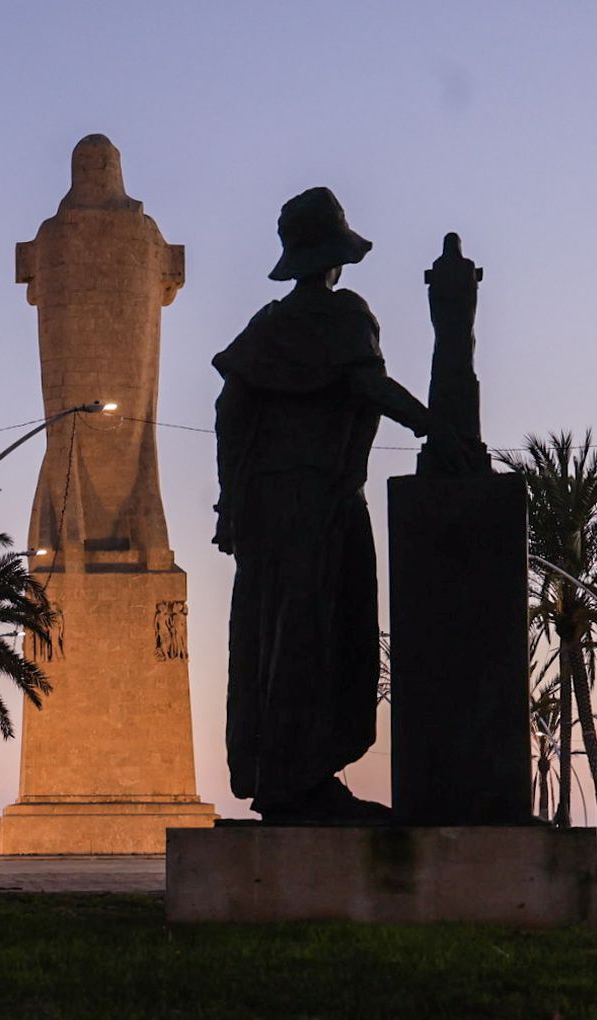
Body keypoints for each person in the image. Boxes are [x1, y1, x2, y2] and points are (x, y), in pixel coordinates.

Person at [213, 187, 452, 823]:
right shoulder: (344, 314)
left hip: (267, 504)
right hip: (319, 501)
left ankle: (285, 778)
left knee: (273, 638)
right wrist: (434, 423)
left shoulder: (267, 327)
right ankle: (302, 784)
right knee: (319, 637)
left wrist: (229, 503)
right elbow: (365, 383)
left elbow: (229, 411)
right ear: (334, 259)